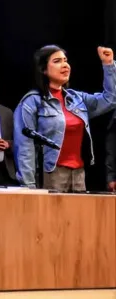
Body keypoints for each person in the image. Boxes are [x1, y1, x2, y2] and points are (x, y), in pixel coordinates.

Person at [14, 45, 116, 191]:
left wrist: (108, 64)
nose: (65, 65)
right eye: (57, 61)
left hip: (79, 172)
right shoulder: (32, 102)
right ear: (43, 69)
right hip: (51, 172)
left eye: (65, 60)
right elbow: (24, 146)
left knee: (80, 214)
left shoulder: (76, 98)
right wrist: (28, 186)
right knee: (52, 214)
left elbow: (111, 99)